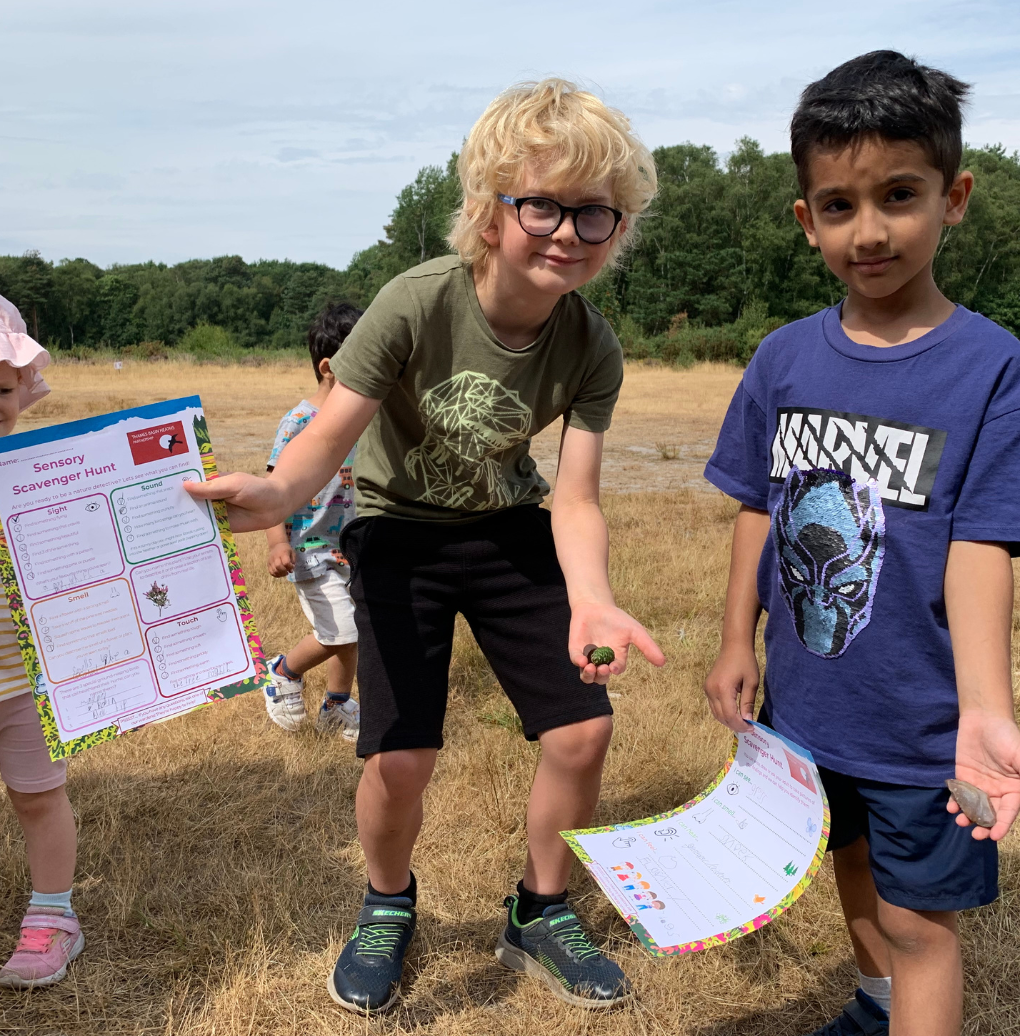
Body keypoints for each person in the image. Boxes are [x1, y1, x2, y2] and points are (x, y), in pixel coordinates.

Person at [187, 78, 666, 1013]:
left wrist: (595, 595)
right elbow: (330, 433)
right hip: (397, 531)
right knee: (400, 756)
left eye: (596, 214)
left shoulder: (591, 345)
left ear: (619, 229)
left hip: (505, 529)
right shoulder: (414, 302)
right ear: (492, 211)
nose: (568, 231)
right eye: (543, 205)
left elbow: (574, 498)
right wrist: (281, 491)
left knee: (583, 729)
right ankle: (387, 903)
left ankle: (539, 910)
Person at [703, 51, 1020, 1036]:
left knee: (920, 927)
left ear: (953, 198)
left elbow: (982, 543)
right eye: (837, 205)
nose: (868, 231)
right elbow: (753, 503)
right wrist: (738, 642)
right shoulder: (782, 359)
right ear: (805, 218)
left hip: (919, 723)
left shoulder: (989, 368)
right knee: (848, 862)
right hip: (810, 705)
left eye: (898, 195)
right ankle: (874, 1010)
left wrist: (983, 713)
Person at [0, 295, 84, 989]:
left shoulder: (37, 473)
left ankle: (53, 916)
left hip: (20, 674)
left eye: (1, 387)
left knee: (39, 795)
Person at [262, 302, 363, 740]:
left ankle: (337, 705)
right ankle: (284, 671)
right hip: (311, 548)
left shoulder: (362, 416)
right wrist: (275, 543)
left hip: (354, 545)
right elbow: (272, 487)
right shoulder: (300, 421)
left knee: (351, 628)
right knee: (340, 629)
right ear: (330, 368)